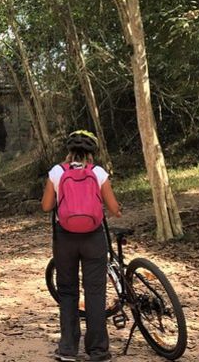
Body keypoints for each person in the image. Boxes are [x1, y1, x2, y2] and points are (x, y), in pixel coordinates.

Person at [41, 130, 122, 362]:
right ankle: (98, 351)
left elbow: (47, 206)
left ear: (69, 152)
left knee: (67, 292)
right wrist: (114, 209)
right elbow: (114, 208)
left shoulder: (57, 172)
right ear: (91, 154)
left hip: (65, 238)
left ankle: (67, 349)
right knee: (95, 292)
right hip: (94, 238)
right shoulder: (98, 173)